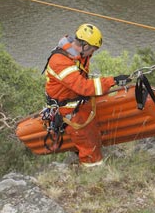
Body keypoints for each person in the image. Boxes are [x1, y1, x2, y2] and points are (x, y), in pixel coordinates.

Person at [44, 23, 130, 167]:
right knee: (88, 145)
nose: (93, 53)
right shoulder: (60, 61)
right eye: (93, 49)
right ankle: (92, 171)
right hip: (68, 110)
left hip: (78, 103)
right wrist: (112, 81)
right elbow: (83, 87)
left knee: (93, 136)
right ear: (84, 45)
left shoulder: (78, 54)